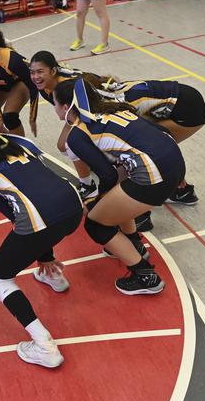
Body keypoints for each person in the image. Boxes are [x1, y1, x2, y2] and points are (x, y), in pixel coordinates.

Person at [0, 108, 83, 368]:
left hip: (43, 219)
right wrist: (44, 256)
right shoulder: (18, 142)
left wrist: (41, 252)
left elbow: (15, 215)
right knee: (43, 224)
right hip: (74, 207)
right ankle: (53, 276)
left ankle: (44, 345)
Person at [29, 51, 205, 228]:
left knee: (142, 151)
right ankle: (175, 189)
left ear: (53, 71)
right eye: (32, 72)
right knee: (131, 151)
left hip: (186, 107)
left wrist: (101, 197)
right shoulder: (66, 88)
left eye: (40, 71)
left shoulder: (85, 96)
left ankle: (148, 208)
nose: (35, 76)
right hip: (174, 98)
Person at [52, 79, 183, 295]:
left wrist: (92, 202)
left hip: (155, 175)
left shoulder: (77, 134)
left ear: (66, 108)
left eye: (55, 104)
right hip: (174, 163)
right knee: (117, 195)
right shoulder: (115, 110)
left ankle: (145, 276)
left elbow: (107, 175)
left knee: (96, 224)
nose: (55, 109)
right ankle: (134, 244)